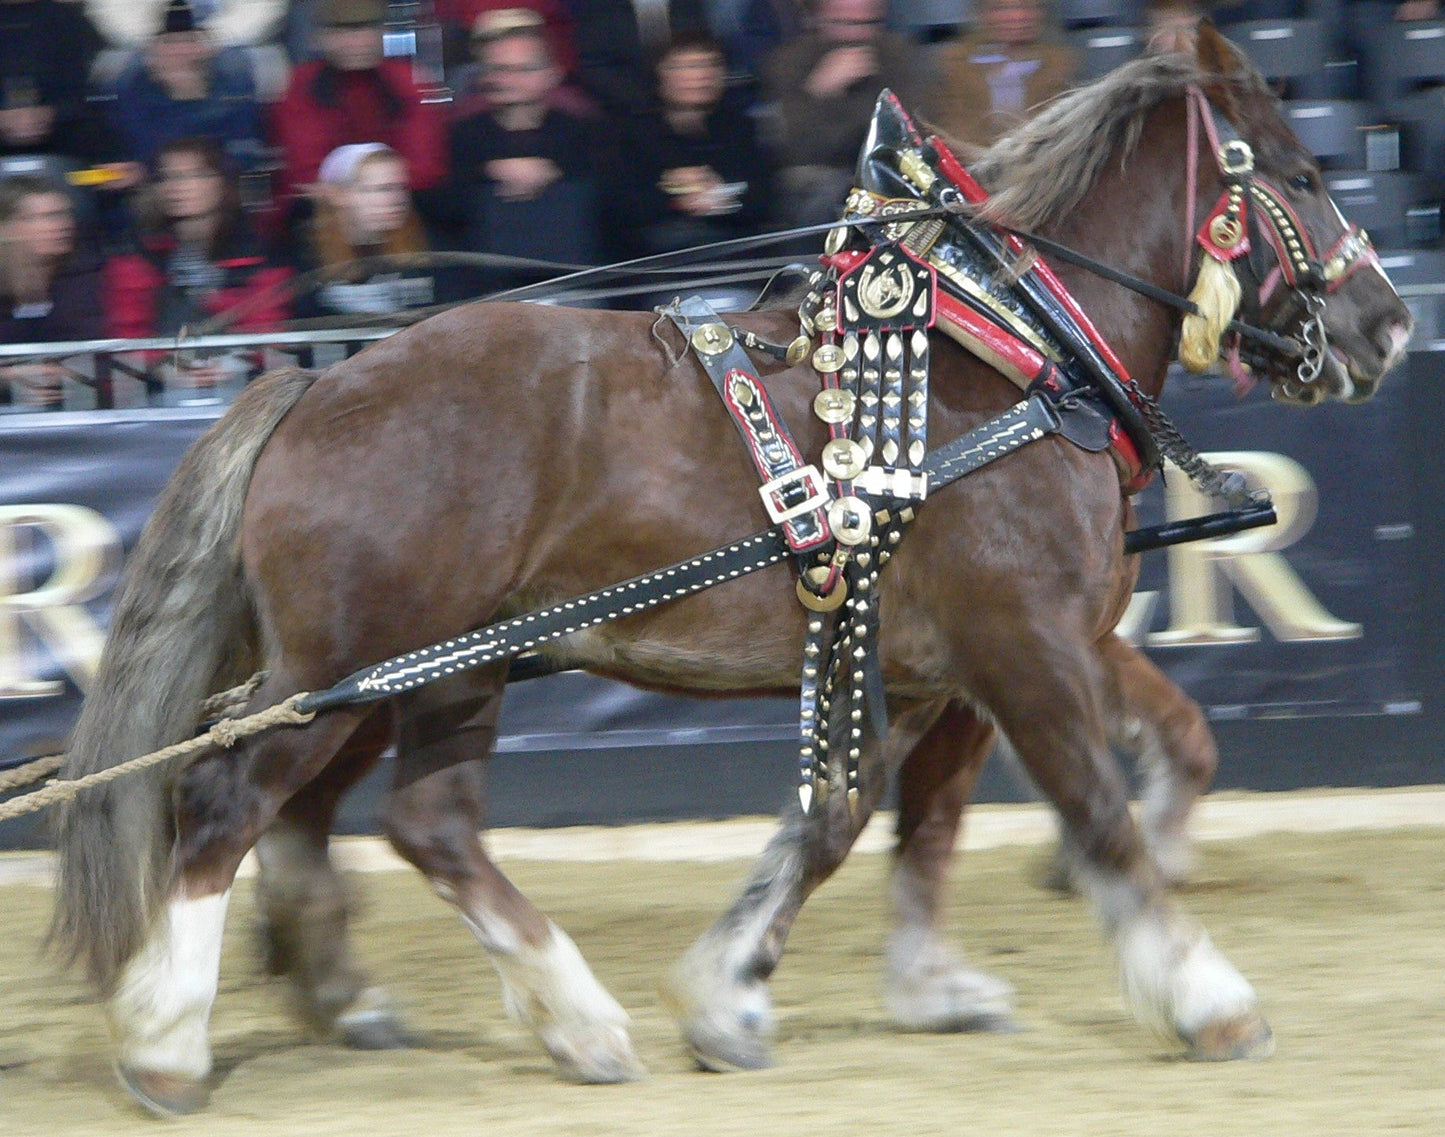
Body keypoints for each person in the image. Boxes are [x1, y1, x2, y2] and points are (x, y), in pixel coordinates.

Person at [103, 137, 291, 401]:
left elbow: (269, 331)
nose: (177, 186)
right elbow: (128, 336)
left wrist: (231, 363)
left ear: (221, 183)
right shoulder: (138, 255)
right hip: (157, 392)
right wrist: (164, 367)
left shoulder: (258, 252)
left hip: (247, 389)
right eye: (168, 177)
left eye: (193, 175)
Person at [429, 12, 601, 292]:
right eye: (496, 69)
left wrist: (553, 171)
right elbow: (442, 206)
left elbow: (611, 201)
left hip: (571, 284)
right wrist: (489, 171)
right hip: (488, 288)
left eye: (521, 69)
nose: (505, 79)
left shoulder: (581, 130)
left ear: (552, 74)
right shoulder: (462, 133)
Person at [271, 0, 448, 231]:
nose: (356, 42)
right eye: (342, 32)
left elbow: (425, 167)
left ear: (382, 32)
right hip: (325, 214)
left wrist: (374, 192)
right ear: (321, 38)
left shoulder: (408, 81)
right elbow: (307, 172)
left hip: (402, 205)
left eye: (366, 29)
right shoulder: (301, 86)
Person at [760, 0, 929, 229]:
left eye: (868, 23)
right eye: (844, 23)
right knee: (825, 196)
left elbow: (910, 132)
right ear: (817, 19)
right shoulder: (789, 62)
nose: (857, 34)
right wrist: (820, 92)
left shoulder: (897, 55)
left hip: (887, 170)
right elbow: (794, 149)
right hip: (818, 176)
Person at [609, 32, 772, 259]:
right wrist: (678, 199)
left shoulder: (740, 128)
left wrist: (723, 195)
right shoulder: (629, 134)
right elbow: (624, 210)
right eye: (685, 67)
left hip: (736, 256)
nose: (702, 75)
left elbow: (764, 199)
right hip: (660, 265)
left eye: (711, 64)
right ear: (659, 74)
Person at [104, 0, 269, 174]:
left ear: (209, 48)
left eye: (189, 41)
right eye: (169, 42)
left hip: (221, 190)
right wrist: (116, 175)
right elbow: (87, 177)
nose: (180, 51)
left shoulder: (235, 94)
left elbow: (248, 161)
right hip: (151, 192)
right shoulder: (123, 97)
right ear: (150, 52)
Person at [294, 141, 443, 318]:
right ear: (338, 195)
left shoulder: (428, 246)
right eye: (381, 189)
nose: (397, 199)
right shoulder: (307, 256)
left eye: (400, 187)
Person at [0, 173, 104, 408]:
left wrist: (70, 373)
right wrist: (9, 378)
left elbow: (107, 354)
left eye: (64, 215)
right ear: (6, 227)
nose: (63, 225)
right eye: (47, 217)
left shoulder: (89, 278)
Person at [929, 0, 1078, 150]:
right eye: (1001, 8)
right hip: (974, 164)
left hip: (1038, 162)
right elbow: (953, 134)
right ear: (983, 14)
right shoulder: (955, 63)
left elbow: (1059, 133)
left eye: (1025, 7)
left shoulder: (1060, 63)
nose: (1016, 16)